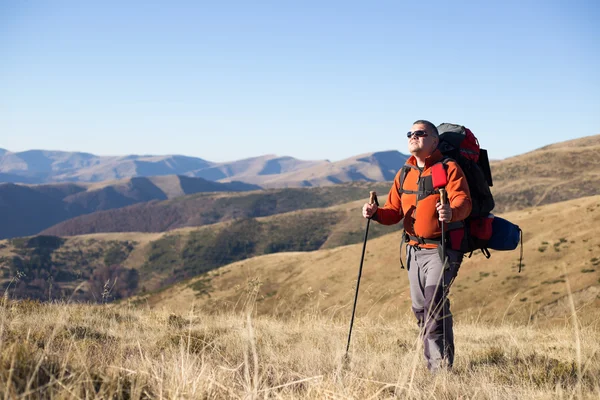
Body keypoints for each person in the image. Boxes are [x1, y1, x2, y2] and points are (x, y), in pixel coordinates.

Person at [362, 120, 472, 372]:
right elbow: (393, 212)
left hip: (441, 250)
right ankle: (434, 363)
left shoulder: (448, 168)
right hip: (413, 250)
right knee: (421, 311)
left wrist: (451, 212)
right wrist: (375, 213)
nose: (413, 136)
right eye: (410, 133)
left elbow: (464, 202)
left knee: (434, 306)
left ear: (434, 140)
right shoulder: (405, 173)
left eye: (420, 133)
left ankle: (440, 373)